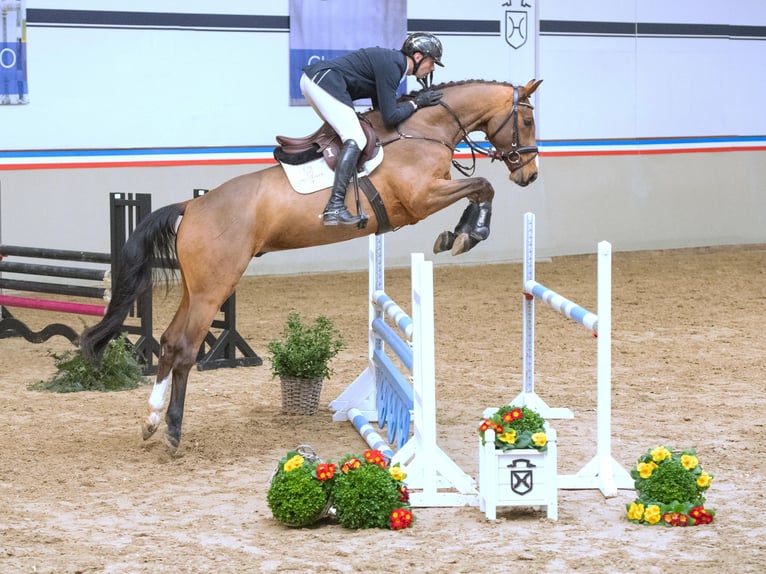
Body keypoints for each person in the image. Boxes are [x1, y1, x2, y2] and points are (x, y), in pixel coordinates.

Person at [300, 32, 445, 226]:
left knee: (350, 136)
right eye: (432, 62)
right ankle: (335, 206)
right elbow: (391, 116)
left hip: (315, 81)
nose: (432, 68)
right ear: (418, 57)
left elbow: (381, 115)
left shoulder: (394, 65)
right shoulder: (394, 66)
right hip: (322, 81)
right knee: (356, 138)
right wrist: (416, 103)